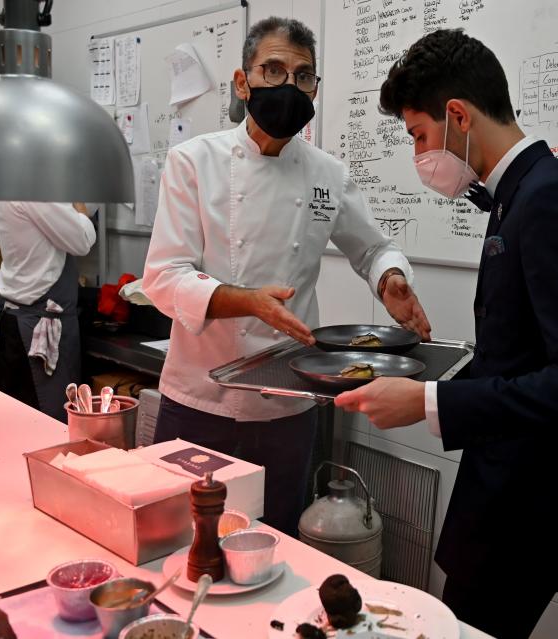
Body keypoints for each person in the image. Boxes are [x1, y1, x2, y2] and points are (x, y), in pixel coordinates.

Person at [335, 29, 558, 639]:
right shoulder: (512, 198)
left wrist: (426, 401)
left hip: (532, 502)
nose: (419, 154)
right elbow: (524, 351)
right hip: (504, 480)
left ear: (458, 115)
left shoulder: (552, 200)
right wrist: (424, 371)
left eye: (419, 135)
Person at [142, 17, 431, 537]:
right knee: (185, 542)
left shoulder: (327, 173)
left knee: (273, 544)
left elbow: (374, 248)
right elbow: (164, 278)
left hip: (289, 408)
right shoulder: (193, 162)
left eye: (303, 76)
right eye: (272, 71)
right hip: (200, 402)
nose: (288, 87)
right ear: (242, 81)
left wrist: (390, 278)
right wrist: (248, 302)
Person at [0, 201, 96, 423]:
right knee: (47, 428)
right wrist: (79, 208)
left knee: (18, 425)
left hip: (18, 320)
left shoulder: (8, 182)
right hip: (37, 328)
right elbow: (82, 240)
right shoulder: (36, 190)